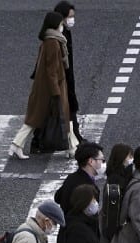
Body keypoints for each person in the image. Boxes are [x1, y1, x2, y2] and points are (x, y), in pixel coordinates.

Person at [9, 12, 80, 160]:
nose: (63, 26)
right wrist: (56, 92)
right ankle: (16, 145)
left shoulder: (49, 40)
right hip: (51, 89)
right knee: (48, 118)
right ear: (55, 25)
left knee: (50, 118)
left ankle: (72, 147)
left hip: (47, 87)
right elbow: (51, 69)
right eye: (61, 24)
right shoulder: (53, 42)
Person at [53, 2, 85, 143]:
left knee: (67, 107)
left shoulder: (64, 33)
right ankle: (74, 138)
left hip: (66, 77)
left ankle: (75, 137)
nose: (72, 20)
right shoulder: (58, 37)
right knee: (66, 107)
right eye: (70, 16)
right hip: (62, 78)